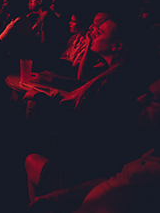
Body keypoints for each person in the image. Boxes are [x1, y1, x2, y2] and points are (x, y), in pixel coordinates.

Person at [27, 78, 160, 213]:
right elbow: (113, 179)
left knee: (32, 155)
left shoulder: (112, 84)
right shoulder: (152, 152)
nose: (140, 99)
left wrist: (40, 99)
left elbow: (75, 121)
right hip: (80, 186)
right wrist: (63, 194)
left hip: (80, 173)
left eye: (153, 99)